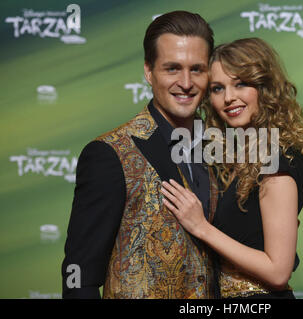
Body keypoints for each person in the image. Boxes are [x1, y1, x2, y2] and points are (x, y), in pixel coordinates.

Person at [61, 11, 218, 299]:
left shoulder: (223, 149)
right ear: (148, 71)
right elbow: (78, 274)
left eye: (196, 69)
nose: (186, 82)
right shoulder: (111, 153)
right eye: (172, 68)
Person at [161, 38, 303, 298]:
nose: (228, 98)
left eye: (240, 84)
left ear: (265, 88)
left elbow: (278, 271)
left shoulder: (277, 163)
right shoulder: (233, 157)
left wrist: (201, 227)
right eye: (217, 88)